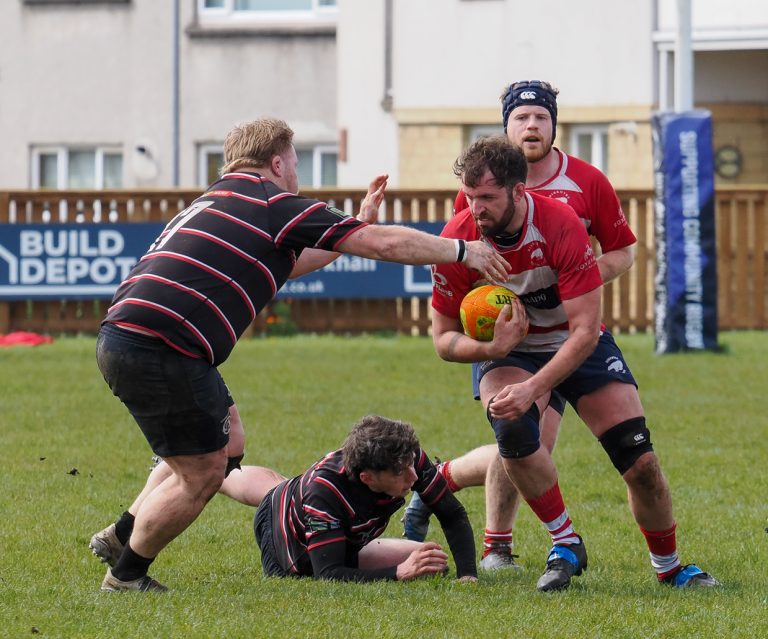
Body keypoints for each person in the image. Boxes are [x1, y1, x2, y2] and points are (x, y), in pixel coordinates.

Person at [93, 116, 508, 592]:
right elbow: (384, 245)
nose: (298, 174)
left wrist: (359, 223)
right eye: (295, 162)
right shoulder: (271, 202)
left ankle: (122, 531)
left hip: (129, 335)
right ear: (277, 162)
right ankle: (126, 576)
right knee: (204, 471)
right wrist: (461, 251)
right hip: (165, 345)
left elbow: (290, 263)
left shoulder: (215, 201)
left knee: (228, 445)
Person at [427, 135, 717, 591]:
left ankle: (670, 568)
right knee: (514, 429)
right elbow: (443, 339)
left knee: (640, 464)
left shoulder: (560, 224)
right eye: (469, 196)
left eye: (486, 197)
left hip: (575, 341)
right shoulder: (457, 239)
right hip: (510, 352)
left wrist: (534, 387)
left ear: (518, 191)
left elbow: (584, 331)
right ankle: (566, 540)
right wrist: (490, 350)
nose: (475, 208)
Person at [404, 80, 636, 571]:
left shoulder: (586, 183)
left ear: (554, 125)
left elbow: (623, 251)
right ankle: (497, 546)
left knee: (532, 446)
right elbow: (464, 262)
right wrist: (493, 318)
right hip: (514, 343)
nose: (531, 125)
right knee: (524, 440)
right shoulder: (480, 195)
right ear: (506, 127)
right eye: (521, 118)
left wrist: (576, 284)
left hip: (571, 330)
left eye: (541, 117)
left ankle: (441, 480)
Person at [94, 416, 478, 583]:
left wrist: (467, 576)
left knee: (432, 560)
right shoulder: (324, 495)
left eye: (414, 467)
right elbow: (329, 574)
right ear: (367, 477)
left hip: (309, 506)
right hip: (289, 547)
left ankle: (199, 469)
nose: (415, 479)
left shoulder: (405, 456)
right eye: (403, 475)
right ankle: (184, 469)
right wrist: (397, 573)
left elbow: (452, 514)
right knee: (263, 492)